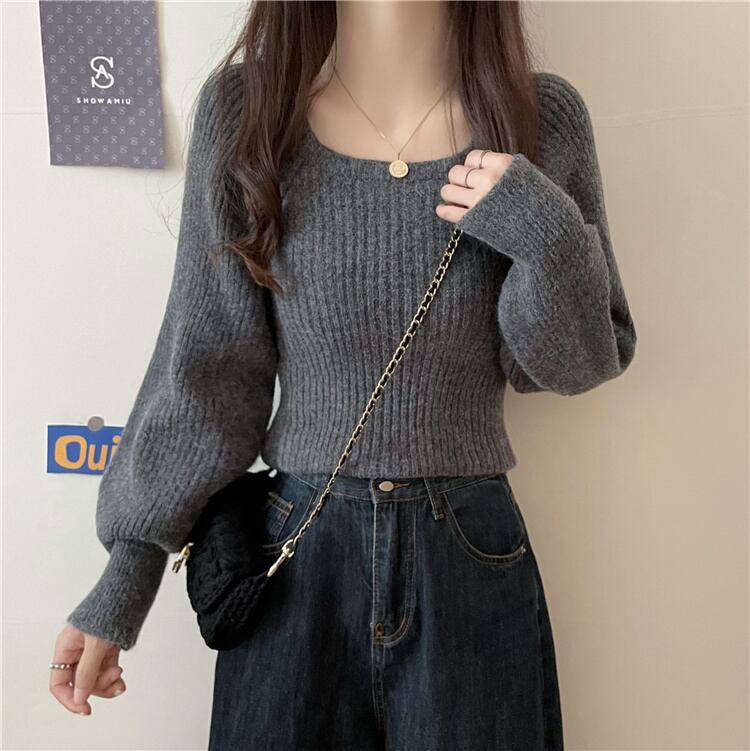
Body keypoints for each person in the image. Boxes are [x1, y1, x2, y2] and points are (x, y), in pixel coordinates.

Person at [49, 2, 637, 748]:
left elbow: (570, 365)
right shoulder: (248, 112)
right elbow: (209, 370)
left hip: (467, 555)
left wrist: (547, 237)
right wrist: (127, 576)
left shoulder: (539, 118)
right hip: (297, 555)